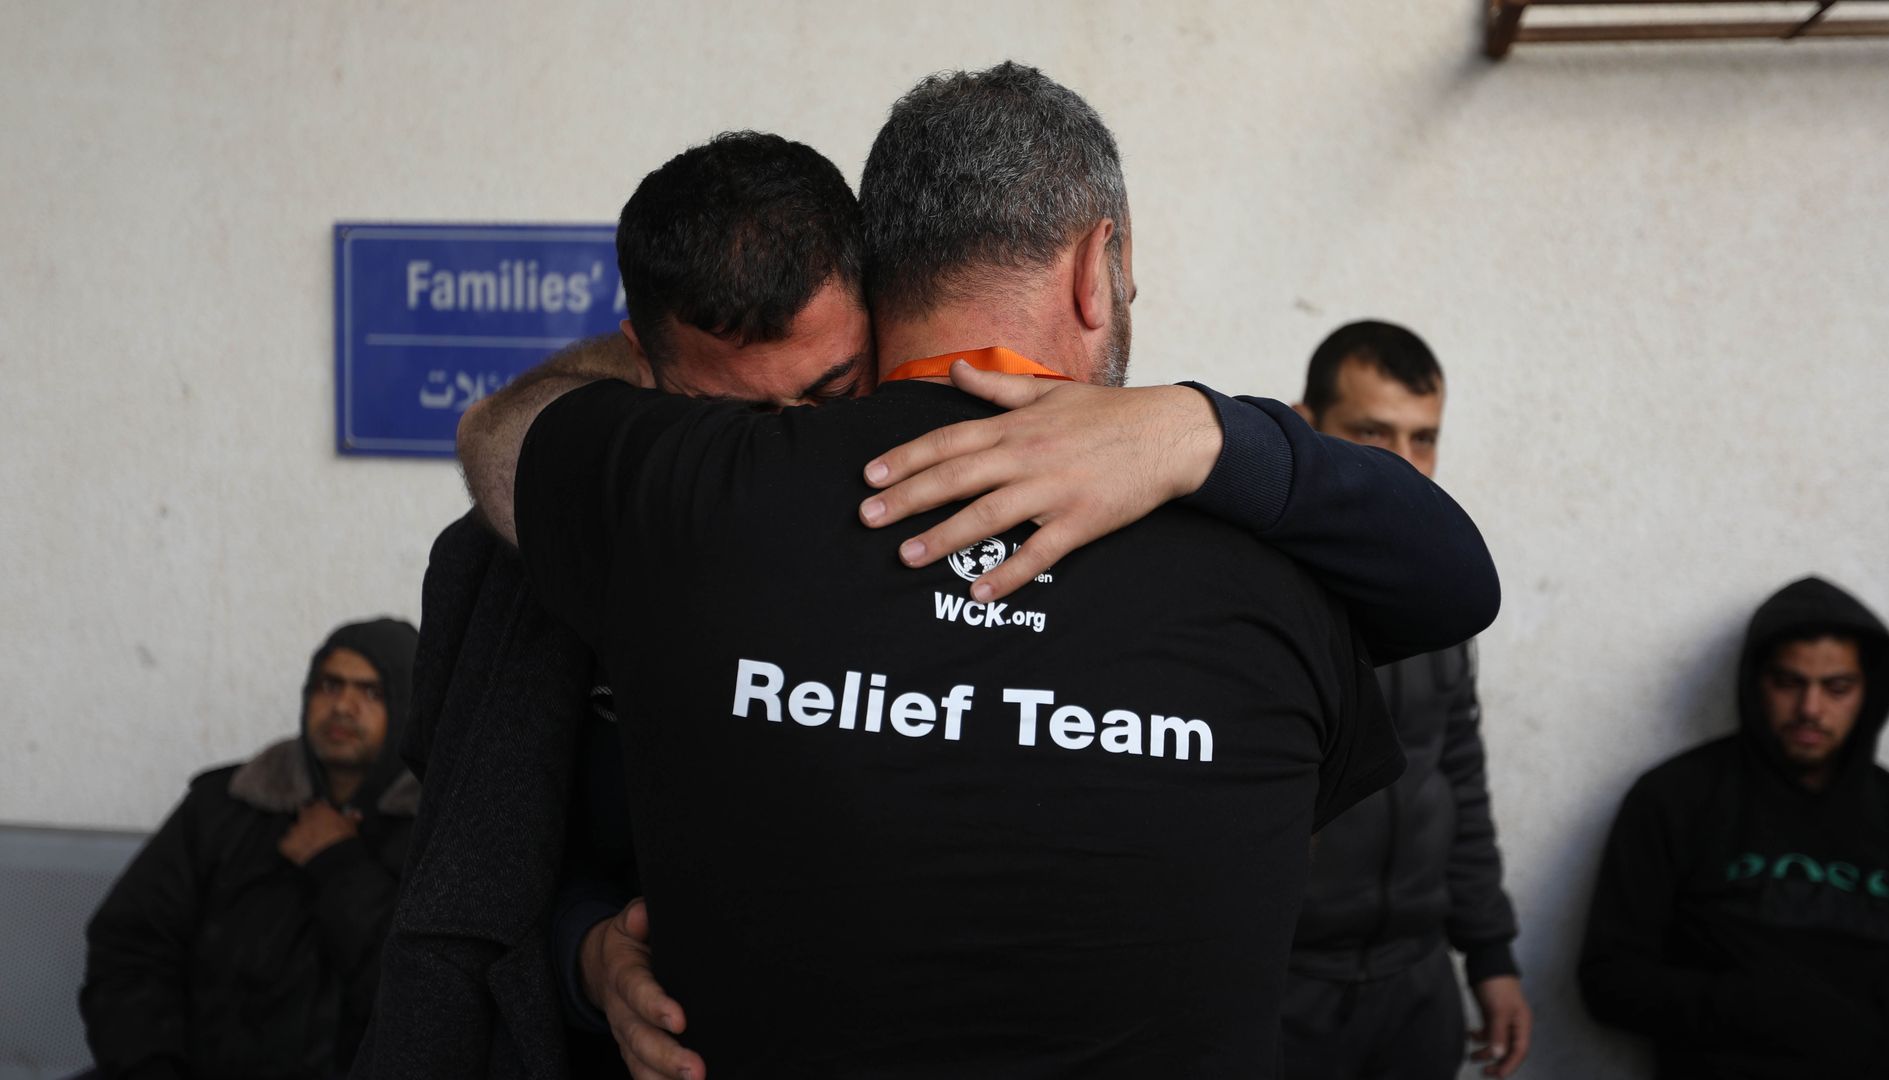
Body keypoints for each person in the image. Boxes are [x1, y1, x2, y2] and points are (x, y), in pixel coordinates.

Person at [360, 124, 1499, 1080]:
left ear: (880, 290)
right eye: (721, 414)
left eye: (823, 391)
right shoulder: (683, 506)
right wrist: (581, 951)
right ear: (1098, 268)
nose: (782, 435)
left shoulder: (1225, 519)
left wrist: (1196, 430)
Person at [1283, 321, 1531, 1080]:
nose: (1403, 465)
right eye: (1371, 432)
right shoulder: (1252, 595)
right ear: (1303, 425)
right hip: (1280, 989)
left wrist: (1489, 954)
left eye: (1423, 440)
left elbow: (1456, 773)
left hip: (1418, 984)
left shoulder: (1440, 599)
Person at [1580, 576, 1889, 1078]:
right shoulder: (1675, 799)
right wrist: (1755, 1005)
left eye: (1836, 688)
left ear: (1869, 693)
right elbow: (1609, 980)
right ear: (1755, 681)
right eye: (1789, 683)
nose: (1810, 709)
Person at [81, 617, 420, 1080]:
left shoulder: (437, 829)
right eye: (329, 685)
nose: (343, 706)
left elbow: (424, 996)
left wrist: (339, 866)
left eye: (371, 693)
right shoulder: (225, 806)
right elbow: (131, 949)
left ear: (409, 706)